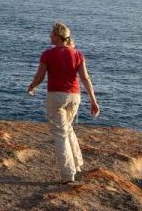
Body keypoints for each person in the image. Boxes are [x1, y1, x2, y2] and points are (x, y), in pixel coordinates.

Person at [25, 21, 100, 183]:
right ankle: (77, 163)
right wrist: (93, 100)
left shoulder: (48, 54)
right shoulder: (77, 54)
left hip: (56, 96)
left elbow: (40, 76)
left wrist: (32, 86)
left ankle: (68, 175)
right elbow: (85, 78)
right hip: (75, 97)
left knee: (60, 134)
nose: (49, 36)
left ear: (58, 37)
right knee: (68, 128)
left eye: (51, 34)